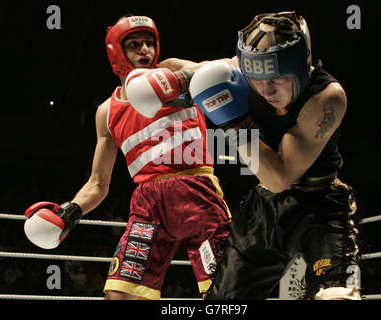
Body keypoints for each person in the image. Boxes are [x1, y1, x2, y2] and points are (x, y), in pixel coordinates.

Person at [22, 15, 231, 300]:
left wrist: (180, 82)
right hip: (148, 206)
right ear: (116, 54)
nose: (145, 50)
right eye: (134, 45)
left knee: (226, 294)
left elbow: (226, 68)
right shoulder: (107, 112)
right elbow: (98, 184)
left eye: (149, 42)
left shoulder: (171, 69)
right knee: (120, 295)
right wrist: (69, 212)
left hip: (196, 191)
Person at [162, 11, 362, 300]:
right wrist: (161, 82)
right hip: (264, 207)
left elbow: (279, 176)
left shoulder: (327, 97)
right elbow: (175, 69)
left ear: (300, 65)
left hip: (320, 205)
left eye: (277, 79)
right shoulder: (240, 71)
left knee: (339, 295)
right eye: (256, 78)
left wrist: (234, 122)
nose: (266, 89)